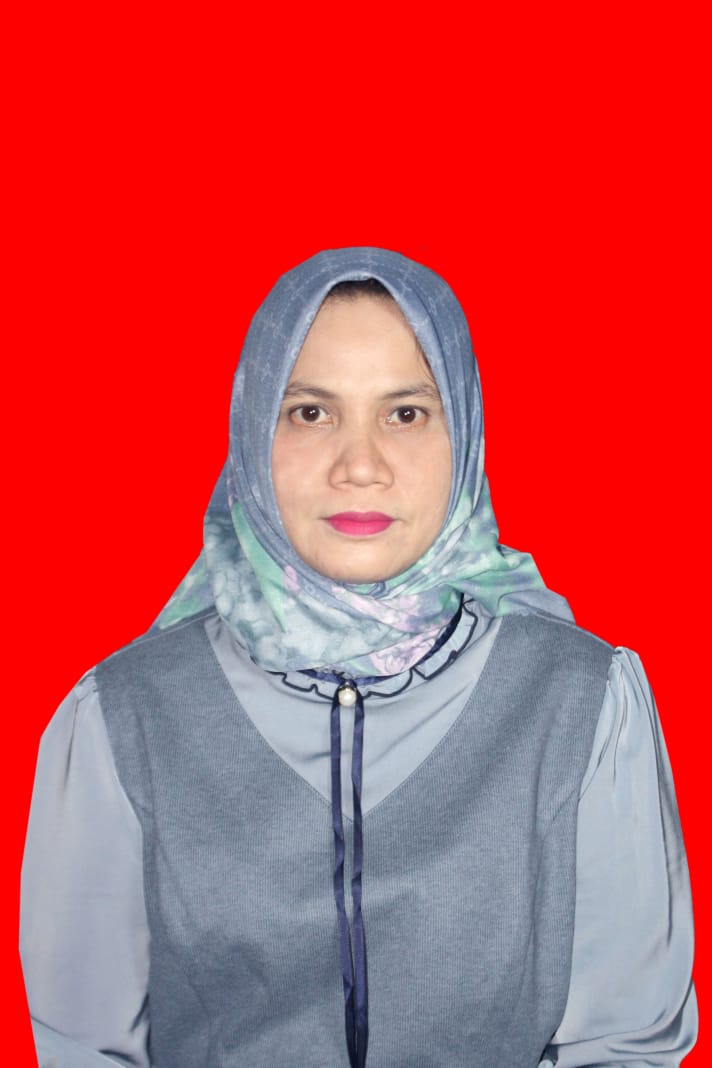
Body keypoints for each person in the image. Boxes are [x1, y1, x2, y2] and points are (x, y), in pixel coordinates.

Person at [21, 247, 697, 1067]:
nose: (361, 466)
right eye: (311, 412)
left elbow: (624, 1044)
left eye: (405, 413)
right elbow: (85, 1049)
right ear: (250, 432)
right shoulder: (123, 716)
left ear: (465, 434)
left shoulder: (581, 702)